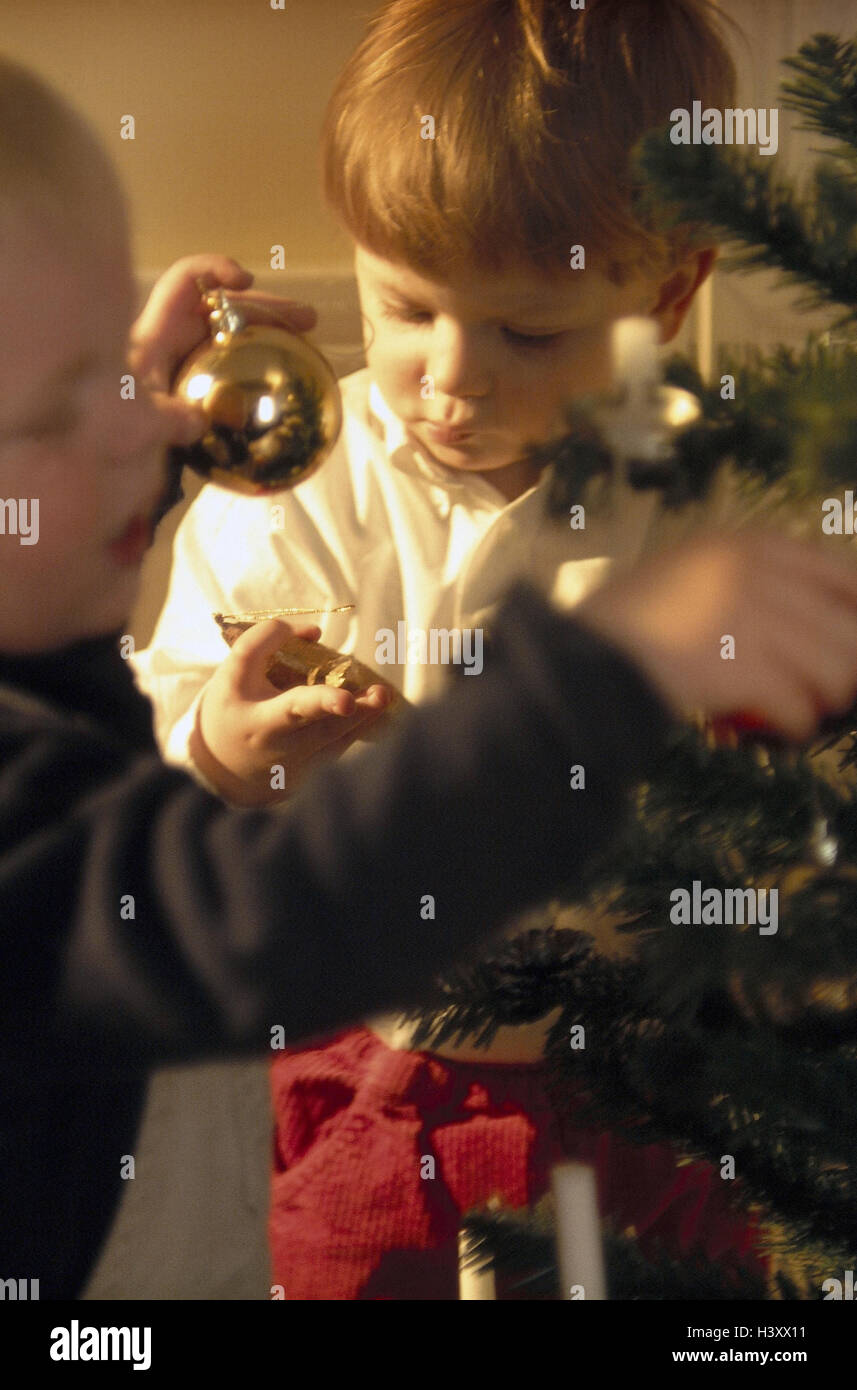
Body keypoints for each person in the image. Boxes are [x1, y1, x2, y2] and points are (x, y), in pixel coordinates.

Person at [131, 2, 857, 1297]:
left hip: (641, 1063)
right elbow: (180, 715)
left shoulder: (708, 492)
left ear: (672, 291)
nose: (449, 380)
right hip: (370, 1046)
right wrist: (220, 745)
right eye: (405, 308)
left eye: (531, 333)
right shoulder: (297, 481)